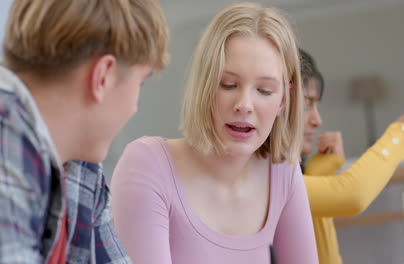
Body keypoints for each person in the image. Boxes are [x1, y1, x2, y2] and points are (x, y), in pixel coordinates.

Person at [111, 3, 319, 264]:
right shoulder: (147, 165)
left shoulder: (282, 170)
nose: (244, 104)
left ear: (284, 100)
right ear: (205, 86)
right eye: (228, 84)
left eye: (264, 90)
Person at [0, 0, 169, 262]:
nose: (135, 107)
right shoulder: (7, 140)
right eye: (140, 83)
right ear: (103, 76)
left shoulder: (81, 166)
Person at [298, 48, 404, 264]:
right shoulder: (263, 178)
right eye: (306, 104)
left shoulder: (286, 177)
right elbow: (352, 194)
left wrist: (317, 178)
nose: (317, 120)